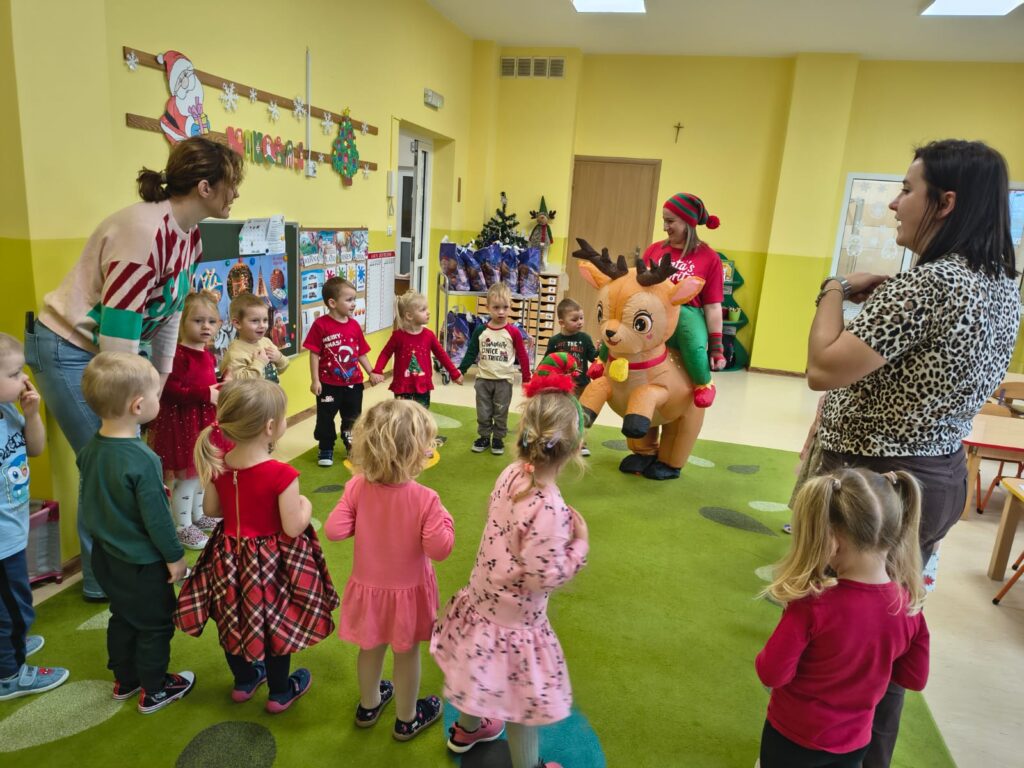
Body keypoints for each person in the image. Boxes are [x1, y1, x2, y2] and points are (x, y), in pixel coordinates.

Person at [806, 139, 1021, 766]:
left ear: (945, 203)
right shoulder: (999, 284)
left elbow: (823, 367)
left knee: (840, 635)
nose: (894, 204)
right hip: (932, 478)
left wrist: (833, 289)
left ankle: (816, 748)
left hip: (874, 485)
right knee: (885, 633)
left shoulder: (932, 284)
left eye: (906, 190)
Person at [25, 135, 243, 601]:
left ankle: (110, 572)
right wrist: (133, 396)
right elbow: (119, 331)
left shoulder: (189, 235)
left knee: (114, 461)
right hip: (72, 348)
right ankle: (107, 580)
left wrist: (158, 383)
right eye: (231, 184)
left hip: (113, 352)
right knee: (109, 461)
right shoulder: (144, 231)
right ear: (205, 187)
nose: (236, 194)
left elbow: (169, 316)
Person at [431, 353, 589, 768]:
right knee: (523, 704)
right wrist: (579, 547)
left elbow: (495, 515)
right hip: (516, 621)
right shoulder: (550, 507)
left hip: (483, 598)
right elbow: (544, 576)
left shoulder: (512, 473)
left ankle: (468, 729)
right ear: (576, 448)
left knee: (478, 673)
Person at [173, 379, 339, 714]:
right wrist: (306, 504)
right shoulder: (282, 474)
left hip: (227, 557)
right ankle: (279, 692)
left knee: (231, 617)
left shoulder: (221, 465)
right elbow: (292, 526)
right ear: (270, 427)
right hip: (272, 564)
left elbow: (211, 511)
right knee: (275, 621)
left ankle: (245, 680)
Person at [756, 468, 930, 768]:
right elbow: (913, 678)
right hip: (855, 742)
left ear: (832, 541)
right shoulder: (909, 606)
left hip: (793, 737)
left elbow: (771, 673)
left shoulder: (812, 604)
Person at [324, 399, 455, 741]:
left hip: (369, 592)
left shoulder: (357, 486)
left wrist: (355, 508)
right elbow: (440, 549)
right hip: (408, 595)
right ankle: (407, 719)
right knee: (406, 654)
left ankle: (369, 706)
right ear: (415, 453)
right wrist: (446, 520)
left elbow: (334, 530)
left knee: (370, 648)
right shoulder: (426, 499)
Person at [77, 352, 193, 713]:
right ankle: (154, 689)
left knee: (123, 616)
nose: (159, 399)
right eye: (157, 395)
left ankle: (125, 680)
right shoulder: (143, 459)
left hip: (105, 558)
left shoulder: (90, 449)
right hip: (142, 564)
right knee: (155, 625)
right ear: (138, 405)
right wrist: (175, 557)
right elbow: (157, 519)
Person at [0, 333, 70, 701]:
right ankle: (10, 674)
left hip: (12, 530)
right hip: (2, 540)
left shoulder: (7, 410)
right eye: (14, 374)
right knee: (14, 607)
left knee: (12, 603)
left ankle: (12, 643)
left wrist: (29, 415)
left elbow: (36, 448)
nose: (24, 379)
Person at [147, 291, 222, 551]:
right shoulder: (178, 354)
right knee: (187, 477)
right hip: (181, 424)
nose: (206, 327)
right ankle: (182, 526)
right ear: (182, 323)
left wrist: (219, 388)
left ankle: (198, 515)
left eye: (211, 322)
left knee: (202, 473)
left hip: (202, 422)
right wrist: (206, 393)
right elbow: (170, 390)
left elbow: (205, 384)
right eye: (198, 321)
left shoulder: (208, 354)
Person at [640, 192, 726, 408]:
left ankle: (704, 384)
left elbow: (713, 306)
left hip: (686, 317)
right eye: (664, 220)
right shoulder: (655, 250)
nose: (665, 227)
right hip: (654, 317)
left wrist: (716, 347)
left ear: (688, 222)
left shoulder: (710, 258)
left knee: (692, 344)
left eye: (670, 221)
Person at [303, 277, 383, 467]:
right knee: (325, 418)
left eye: (354, 299)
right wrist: (315, 380)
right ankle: (326, 447)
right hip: (328, 385)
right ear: (332, 303)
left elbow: (361, 353)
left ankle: (352, 447)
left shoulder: (354, 325)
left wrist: (371, 372)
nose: (353, 304)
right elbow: (314, 354)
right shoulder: (320, 325)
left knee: (352, 419)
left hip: (354, 384)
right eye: (349, 300)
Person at [457, 282, 532, 455]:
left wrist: (527, 378)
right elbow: (471, 352)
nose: (501, 312)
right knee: (483, 411)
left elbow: (522, 355)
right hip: (483, 380)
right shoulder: (481, 331)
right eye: (496, 307)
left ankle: (498, 438)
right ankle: (484, 436)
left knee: (500, 412)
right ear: (488, 307)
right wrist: (461, 371)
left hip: (504, 381)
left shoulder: (513, 332)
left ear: (510, 306)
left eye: (505, 307)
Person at [372, 290, 463, 409]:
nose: (428, 312)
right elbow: (385, 353)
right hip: (402, 386)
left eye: (427, 309)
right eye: (423, 310)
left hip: (422, 385)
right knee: (403, 416)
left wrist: (454, 373)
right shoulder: (398, 336)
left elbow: (441, 355)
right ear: (409, 315)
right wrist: (377, 370)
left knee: (421, 415)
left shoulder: (429, 335)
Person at [544, 298, 598, 456]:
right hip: (562, 387)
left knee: (580, 415)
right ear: (561, 322)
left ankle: (580, 442)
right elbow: (548, 360)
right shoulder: (555, 341)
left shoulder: (585, 339)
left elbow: (593, 357)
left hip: (582, 385)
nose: (579, 322)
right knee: (562, 414)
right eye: (574, 319)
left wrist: (601, 351)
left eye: (581, 318)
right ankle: (559, 440)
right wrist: (540, 374)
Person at [220, 293, 289, 383]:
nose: (262, 325)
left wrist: (279, 357)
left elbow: (282, 368)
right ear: (237, 323)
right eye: (255, 321)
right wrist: (260, 362)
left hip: (272, 391)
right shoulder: (234, 353)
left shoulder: (266, 342)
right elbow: (240, 385)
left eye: (265, 320)